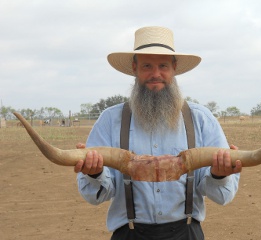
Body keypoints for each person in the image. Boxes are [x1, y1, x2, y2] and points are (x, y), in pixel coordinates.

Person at [74, 26, 242, 240]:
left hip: (187, 232)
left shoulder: (201, 119)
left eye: (163, 65)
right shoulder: (109, 120)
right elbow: (97, 196)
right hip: (130, 234)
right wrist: (94, 173)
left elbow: (223, 196)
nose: (155, 74)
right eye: (147, 66)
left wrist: (220, 174)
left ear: (174, 68)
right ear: (134, 68)